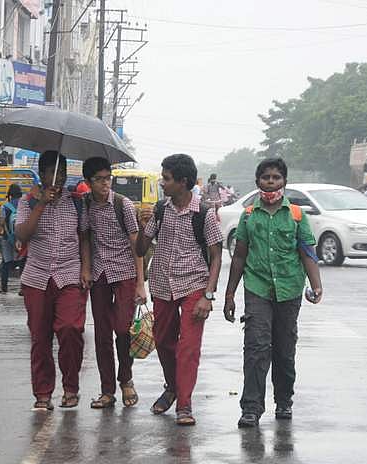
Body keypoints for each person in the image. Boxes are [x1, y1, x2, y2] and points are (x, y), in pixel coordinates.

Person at [223, 158, 323, 428]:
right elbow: (240, 256)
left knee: (284, 349)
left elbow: (307, 252)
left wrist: (316, 285)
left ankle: (284, 400)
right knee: (255, 347)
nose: (270, 182)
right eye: (266, 177)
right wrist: (230, 295)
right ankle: (251, 407)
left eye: (276, 177)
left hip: (289, 289)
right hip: (257, 288)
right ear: (258, 182)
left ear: (284, 182)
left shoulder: (297, 215)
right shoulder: (247, 215)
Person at [136, 154, 222, 426]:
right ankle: (172, 387)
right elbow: (139, 249)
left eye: (167, 178)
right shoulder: (160, 210)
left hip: (194, 285)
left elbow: (216, 256)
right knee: (162, 342)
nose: (162, 183)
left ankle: (184, 404)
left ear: (183, 182)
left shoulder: (204, 213)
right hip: (162, 286)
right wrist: (143, 224)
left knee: (188, 348)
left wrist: (208, 295)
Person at [15, 151, 92, 410]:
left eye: (61, 172)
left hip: (70, 274)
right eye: (52, 172)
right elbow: (23, 234)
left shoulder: (77, 202)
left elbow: (84, 238)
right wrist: (41, 204)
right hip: (37, 276)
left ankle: (71, 387)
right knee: (40, 337)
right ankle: (43, 393)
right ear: (42, 174)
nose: (57, 177)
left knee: (71, 329)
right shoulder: (27, 202)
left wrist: (86, 268)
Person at [81, 157, 147, 409]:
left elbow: (136, 244)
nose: (105, 184)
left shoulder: (123, 204)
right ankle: (106, 389)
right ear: (89, 182)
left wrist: (141, 283)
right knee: (101, 334)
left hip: (124, 273)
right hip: (99, 274)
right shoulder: (85, 205)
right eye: (99, 180)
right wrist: (86, 269)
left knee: (122, 329)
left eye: (108, 179)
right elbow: (85, 238)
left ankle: (126, 379)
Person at [0, 184, 23, 293]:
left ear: (10, 194)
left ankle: (3, 288)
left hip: (7, 238)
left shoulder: (5, 207)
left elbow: (0, 224)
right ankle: (23, 289)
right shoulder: (24, 205)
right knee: (23, 263)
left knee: (6, 263)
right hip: (22, 238)